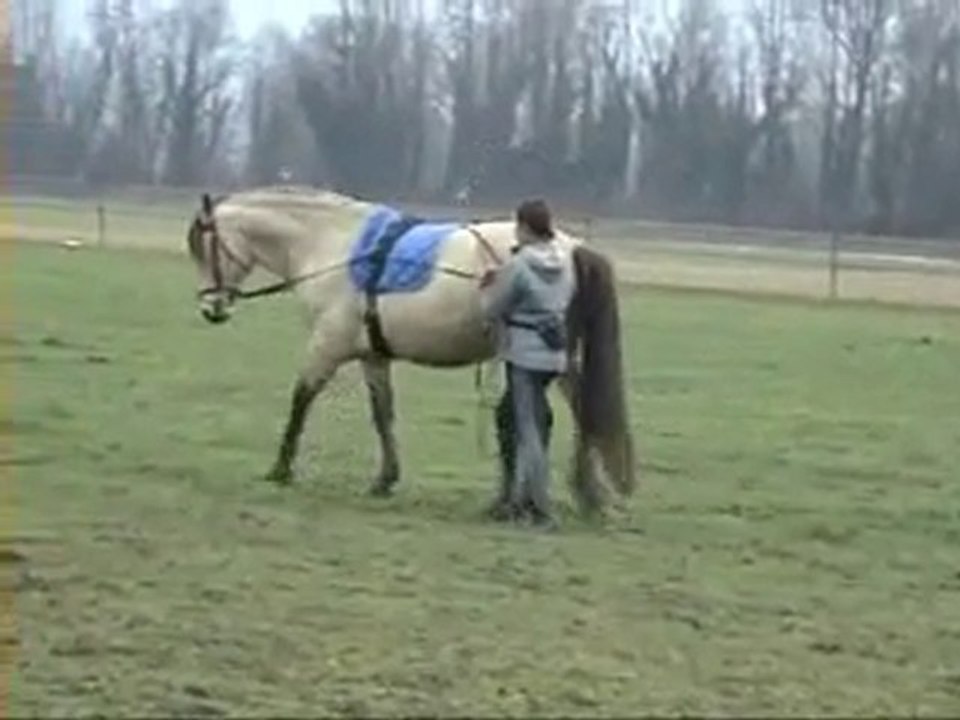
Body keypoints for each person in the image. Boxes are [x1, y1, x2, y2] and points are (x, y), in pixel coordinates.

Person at [481, 198, 575, 529]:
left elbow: (492, 310)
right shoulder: (566, 262)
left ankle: (540, 508)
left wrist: (491, 285)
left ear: (523, 227)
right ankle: (515, 497)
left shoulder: (519, 266)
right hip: (553, 354)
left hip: (524, 354)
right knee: (518, 416)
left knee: (528, 429)